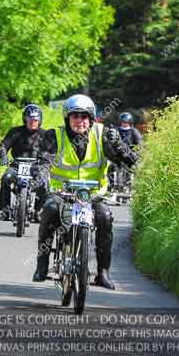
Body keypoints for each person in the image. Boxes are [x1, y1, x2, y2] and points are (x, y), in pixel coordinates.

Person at [31, 94, 138, 290]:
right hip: (61, 193)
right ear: (67, 118)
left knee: (105, 217)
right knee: (49, 210)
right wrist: (40, 176)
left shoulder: (103, 134)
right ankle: (42, 264)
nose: (80, 121)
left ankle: (103, 273)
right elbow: (43, 161)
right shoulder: (53, 136)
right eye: (75, 116)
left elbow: (128, 160)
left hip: (93, 194)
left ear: (91, 118)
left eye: (84, 116)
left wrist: (119, 146)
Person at [0, 104, 46, 222]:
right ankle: (5, 210)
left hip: (35, 167)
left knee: (44, 183)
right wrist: (3, 156)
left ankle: (39, 211)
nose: (32, 122)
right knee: (5, 178)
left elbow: (52, 150)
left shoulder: (45, 135)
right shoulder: (15, 132)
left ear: (39, 120)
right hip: (16, 166)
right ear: (24, 119)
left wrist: (49, 161)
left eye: (35, 119)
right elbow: (2, 146)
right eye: (29, 119)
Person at [107, 112, 142, 193]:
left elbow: (140, 144)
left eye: (126, 122)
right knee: (109, 168)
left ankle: (133, 187)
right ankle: (111, 185)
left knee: (136, 169)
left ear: (129, 123)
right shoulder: (116, 130)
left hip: (129, 156)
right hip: (117, 156)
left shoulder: (134, 132)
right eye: (123, 122)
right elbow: (110, 142)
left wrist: (136, 153)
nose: (124, 124)